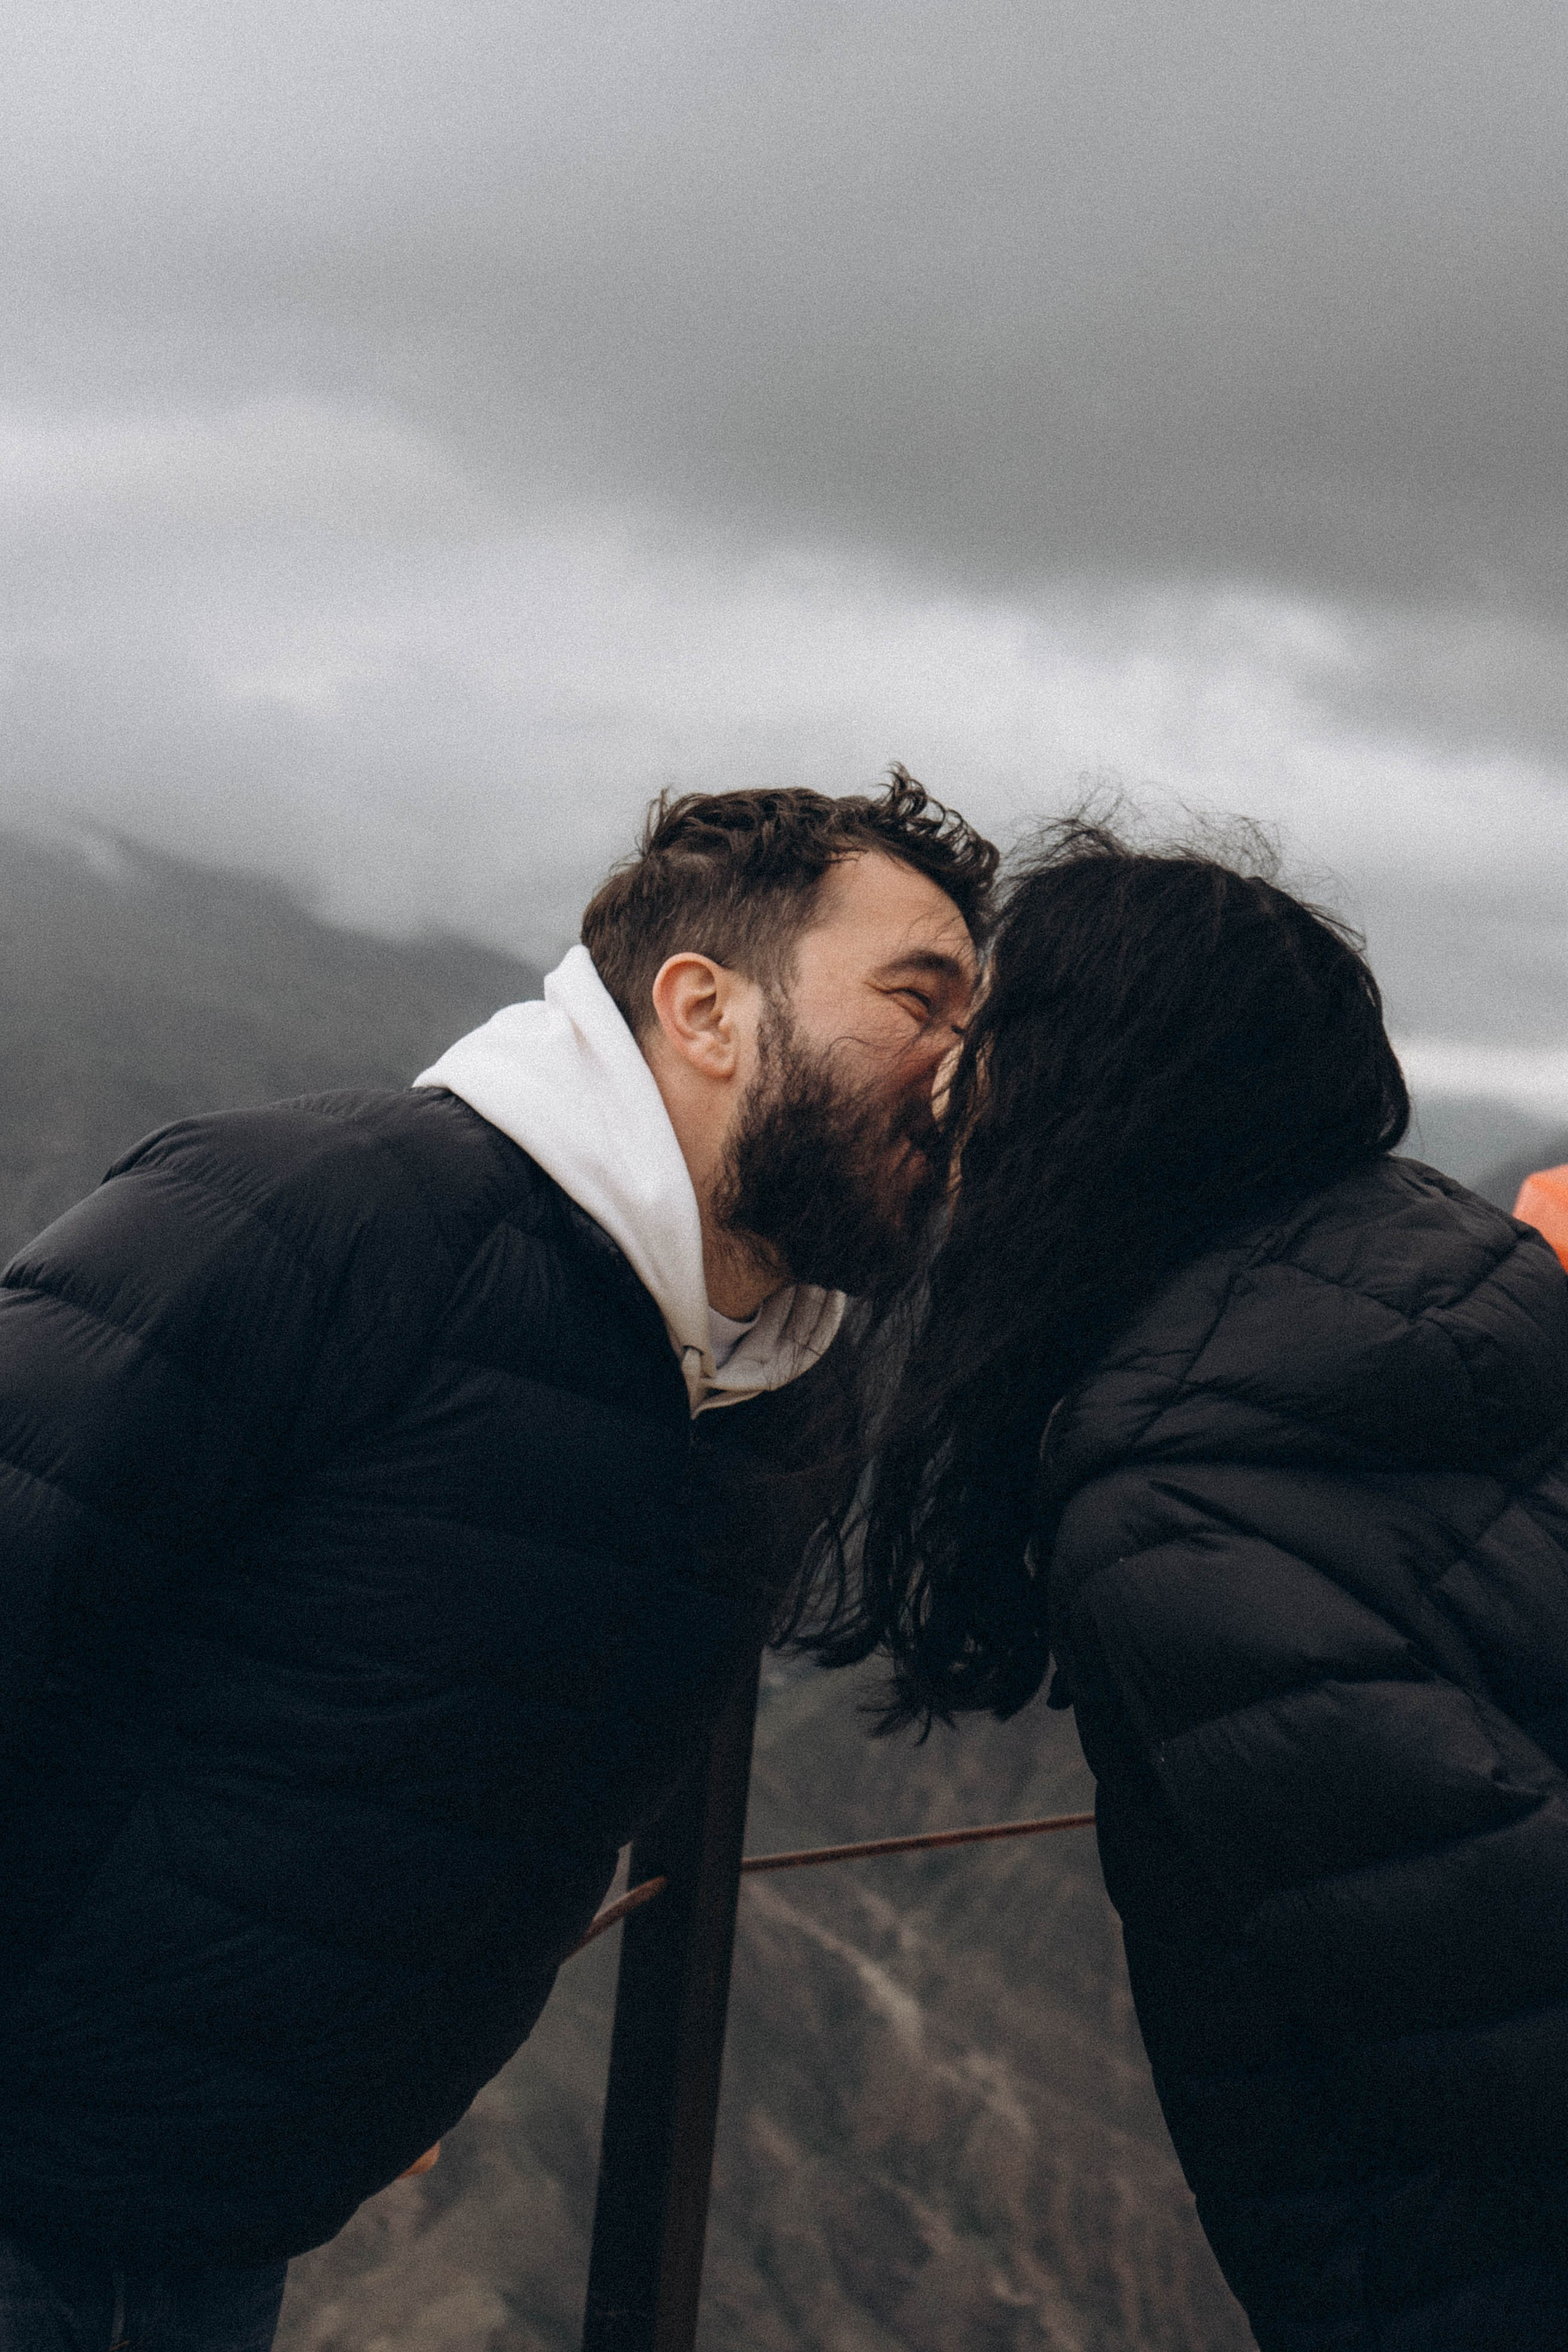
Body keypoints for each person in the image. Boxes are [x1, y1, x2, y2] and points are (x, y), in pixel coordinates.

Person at [0, 772, 993, 2350]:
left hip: (225, 2216)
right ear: (704, 1010)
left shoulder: (772, 1387)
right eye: (918, 1002)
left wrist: (391, 2069)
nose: (963, 1076)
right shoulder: (321, 1214)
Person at [812, 816, 1568, 2350]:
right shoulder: (1437, 1275)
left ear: (1098, 1100)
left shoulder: (1176, 1507)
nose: (948, 1093)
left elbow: (1492, 1997)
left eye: (988, 1041)